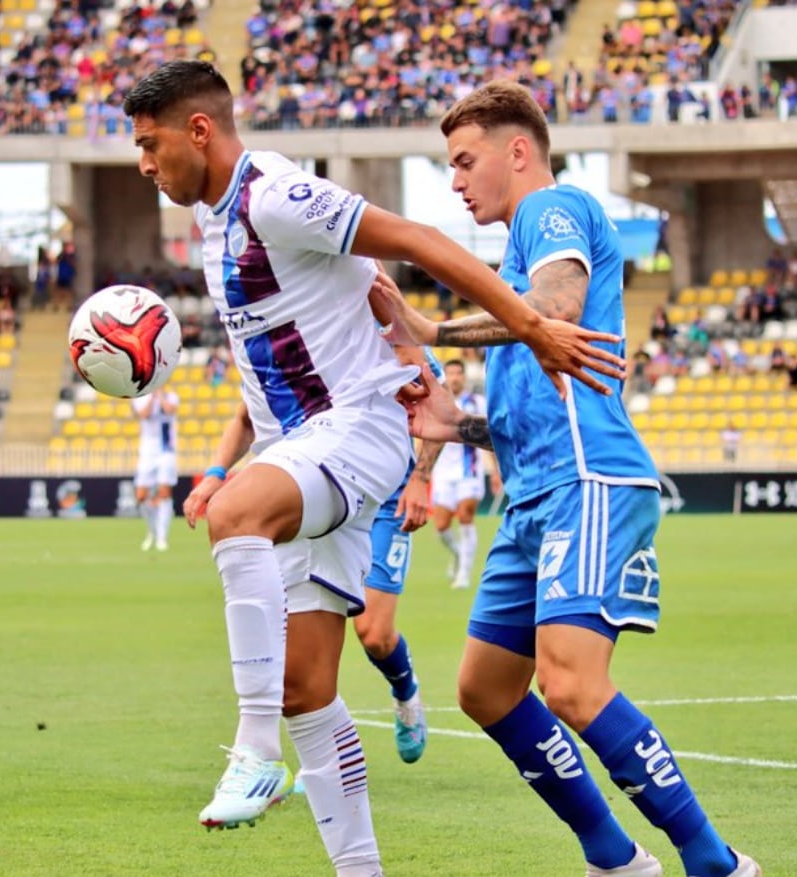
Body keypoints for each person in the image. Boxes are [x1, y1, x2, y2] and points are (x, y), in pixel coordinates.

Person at [122, 60, 621, 874]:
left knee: (237, 518)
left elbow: (418, 240)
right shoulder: (216, 225)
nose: (145, 163)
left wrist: (532, 324)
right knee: (307, 687)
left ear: (199, 131)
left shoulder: (274, 195)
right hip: (305, 445)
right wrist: (220, 464)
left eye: (150, 144)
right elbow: (265, 377)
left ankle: (252, 749)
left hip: (358, 428)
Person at [374, 80, 760, 877]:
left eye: (464, 160)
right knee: (485, 687)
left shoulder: (552, 212)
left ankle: (716, 863)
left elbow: (555, 309)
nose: (454, 180)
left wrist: (436, 327)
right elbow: (535, 377)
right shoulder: (513, 251)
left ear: (518, 151)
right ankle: (616, 859)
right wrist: (462, 426)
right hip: (536, 495)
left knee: (572, 684)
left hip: (591, 479)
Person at [185, 387, 440, 766]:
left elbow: (435, 400)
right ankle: (318, 755)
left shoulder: (388, 331)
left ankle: (406, 691)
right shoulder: (287, 342)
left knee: (374, 633)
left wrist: (421, 478)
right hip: (315, 484)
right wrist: (215, 474)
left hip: (384, 491)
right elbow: (245, 417)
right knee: (304, 624)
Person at [429, 359, 499, 590]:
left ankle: (464, 574)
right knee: (441, 524)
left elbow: (491, 438)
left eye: (459, 373)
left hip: (470, 471)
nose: (455, 378)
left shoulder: (477, 403)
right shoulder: (436, 403)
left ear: (464, 377)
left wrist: (497, 472)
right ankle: (458, 554)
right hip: (443, 472)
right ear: (445, 376)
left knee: (466, 516)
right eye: (451, 373)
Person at [131, 385, 179, 552]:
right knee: (141, 495)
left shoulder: (171, 396)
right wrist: (152, 397)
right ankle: (152, 531)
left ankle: (161, 537)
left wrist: (160, 396)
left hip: (166, 450)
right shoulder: (139, 398)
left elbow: (170, 410)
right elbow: (144, 414)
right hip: (147, 451)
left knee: (165, 492)